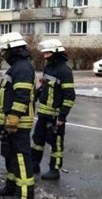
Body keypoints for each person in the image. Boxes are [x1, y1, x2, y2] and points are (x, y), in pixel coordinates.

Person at [0, 32, 36, 199]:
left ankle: (24, 194)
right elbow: (11, 92)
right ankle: (11, 186)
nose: (2, 54)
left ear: (12, 50)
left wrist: (13, 118)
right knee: (10, 155)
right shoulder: (16, 67)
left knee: (21, 157)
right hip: (10, 121)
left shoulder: (22, 68)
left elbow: (22, 96)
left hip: (18, 123)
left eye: (4, 51)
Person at [32, 39, 76, 180]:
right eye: (44, 52)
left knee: (55, 142)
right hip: (43, 113)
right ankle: (34, 164)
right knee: (37, 139)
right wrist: (37, 94)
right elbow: (46, 88)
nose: (45, 55)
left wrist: (62, 116)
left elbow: (70, 96)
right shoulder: (49, 68)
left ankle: (54, 169)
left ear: (56, 53)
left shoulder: (64, 71)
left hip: (55, 115)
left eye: (48, 52)